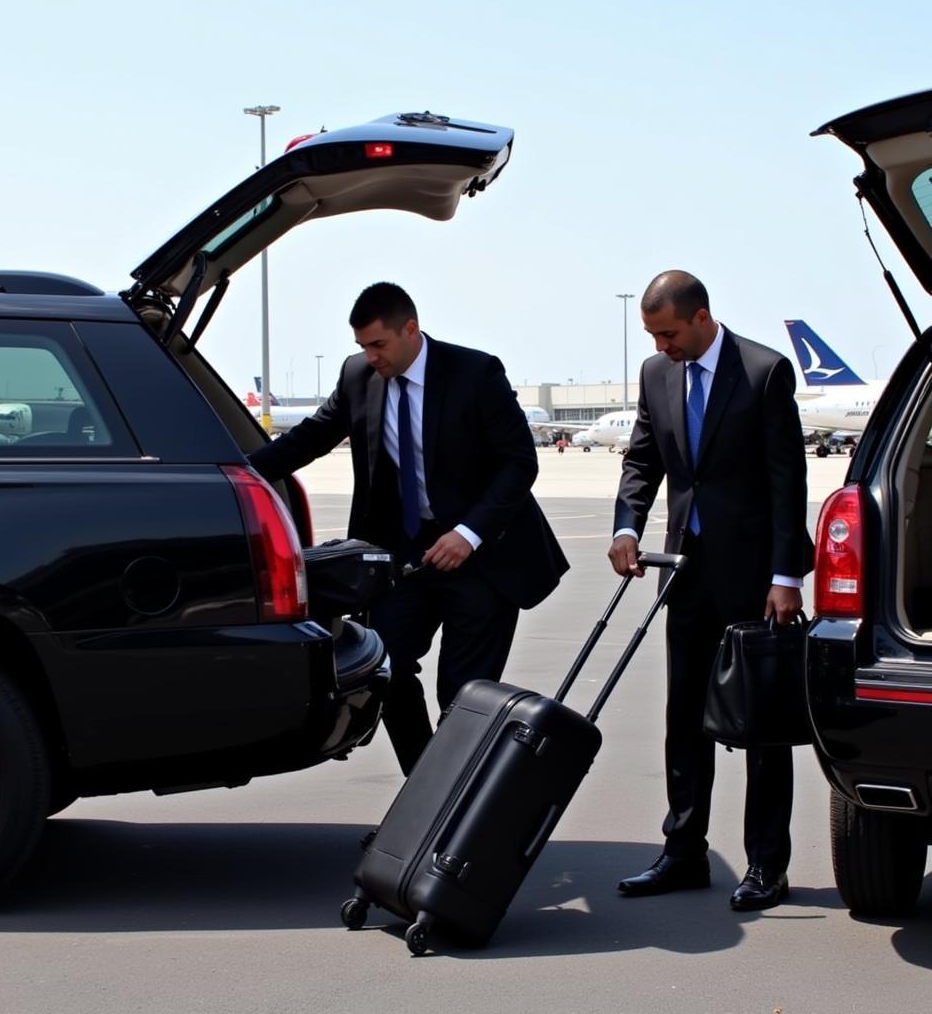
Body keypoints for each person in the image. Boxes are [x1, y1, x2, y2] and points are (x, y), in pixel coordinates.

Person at [250, 282, 569, 775]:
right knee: (387, 671)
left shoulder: (475, 373)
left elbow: (518, 464)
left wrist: (469, 533)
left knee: (463, 695)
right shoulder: (359, 377)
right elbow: (311, 437)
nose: (370, 356)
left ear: (410, 330)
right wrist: (235, 473)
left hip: (481, 560)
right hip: (406, 558)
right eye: (362, 347)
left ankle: (454, 817)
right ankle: (425, 796)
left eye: (378, 345)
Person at [607, 270, 812, 912]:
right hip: (685, 573)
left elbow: (788, 480)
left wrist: (786, 577)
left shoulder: (764, 371)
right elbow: (643, 458)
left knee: (760, 724)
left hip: (755, 580)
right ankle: (683, 852)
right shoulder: (656, 373)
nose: (660, 345)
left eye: (668, 333)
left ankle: (765, 866)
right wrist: (626, 524)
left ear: (701, 318)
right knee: (684, 716)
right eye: (652, 335)